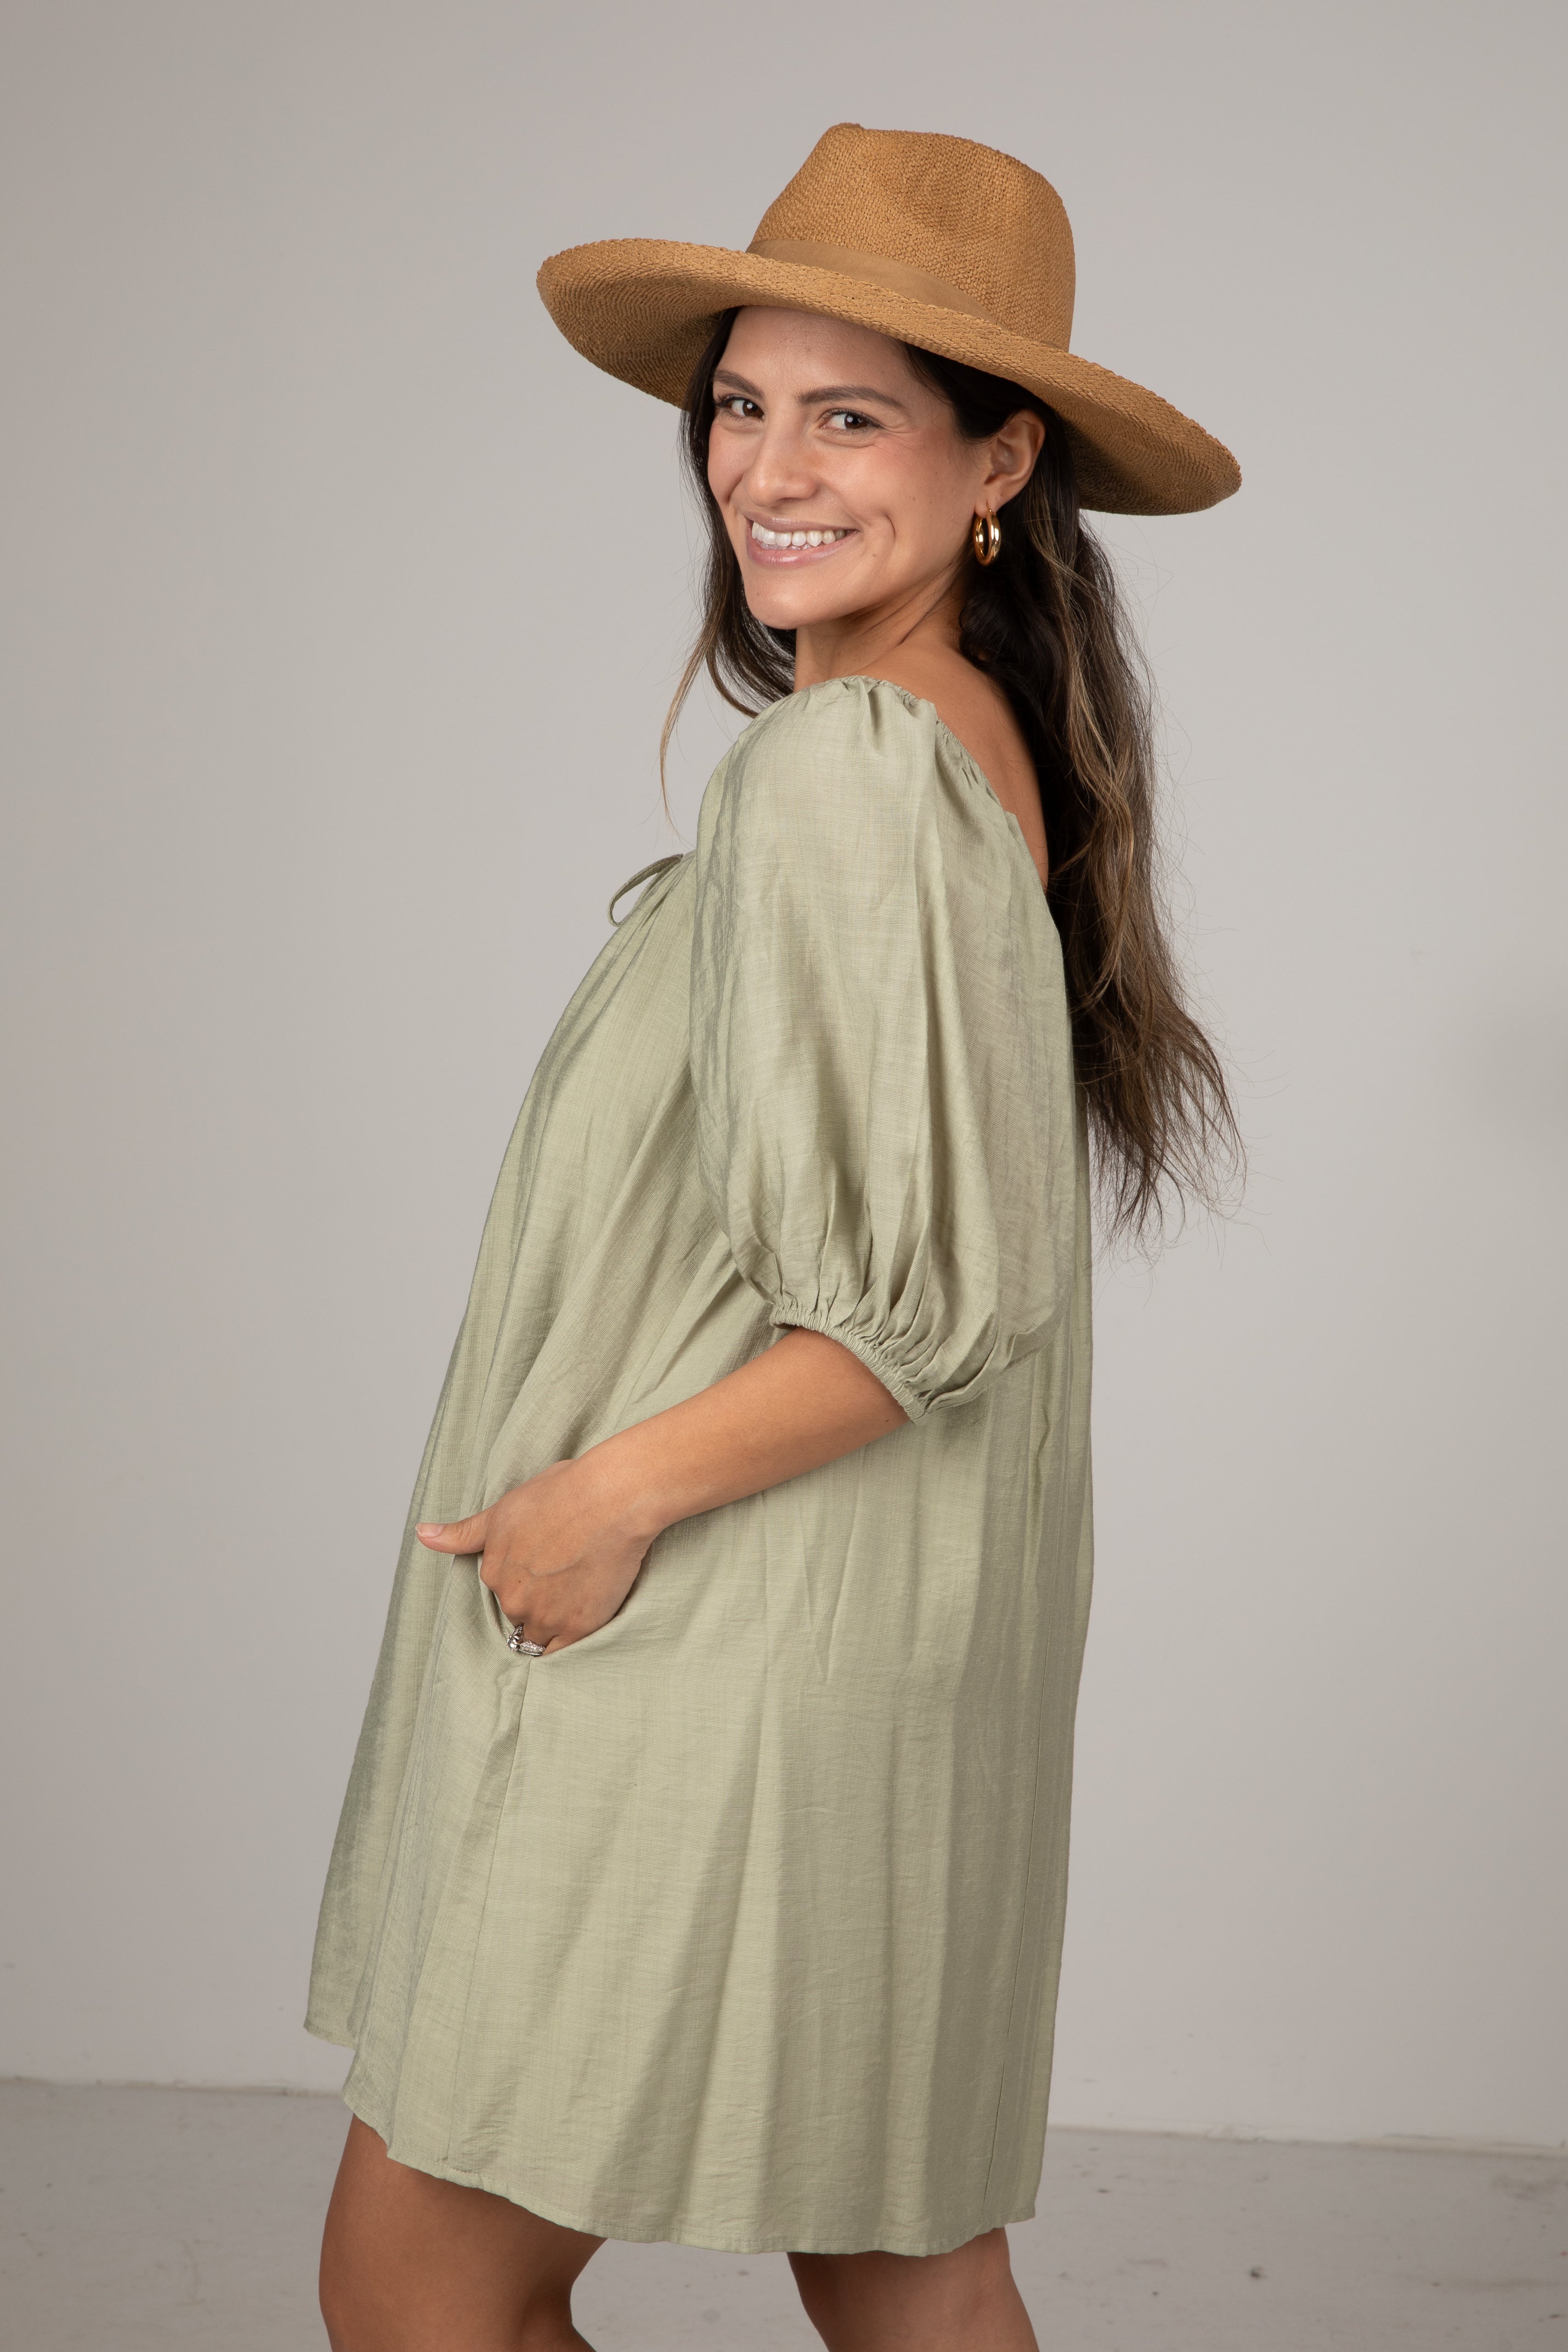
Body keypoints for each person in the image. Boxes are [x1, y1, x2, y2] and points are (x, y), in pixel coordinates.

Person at [308, 122, 1242, 2352]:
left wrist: (587, 1506)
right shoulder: (970, 739)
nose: (766, 466)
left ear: (997, 457)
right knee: (900, 2250)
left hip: (721, 1616)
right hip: (869, 1632)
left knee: (423, 2278)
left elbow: (917, 1307)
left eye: (849, 415)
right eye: (740, 404)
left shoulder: (841, 772)